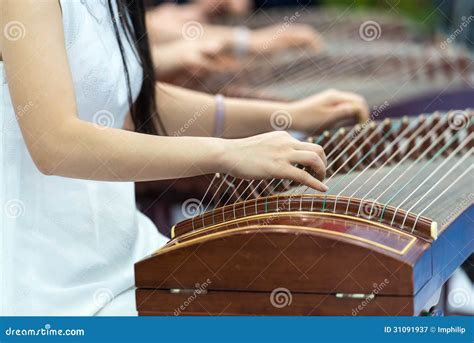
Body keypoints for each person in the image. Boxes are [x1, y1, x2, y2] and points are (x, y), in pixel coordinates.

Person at [0, 0, 368, 315]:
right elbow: (55, 144)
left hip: (128, 251)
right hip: (49, 285)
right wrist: (226, 153)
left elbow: (137, 101)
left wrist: (289, 115)